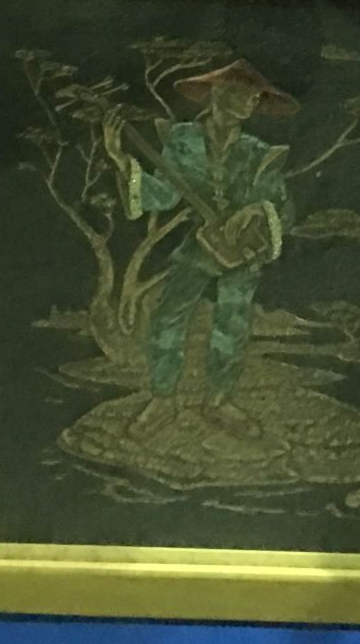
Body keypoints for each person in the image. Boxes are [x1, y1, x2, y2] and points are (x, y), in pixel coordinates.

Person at [102, 58, 297, 441]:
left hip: (243, 250)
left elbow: (281, 207)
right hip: (201, 245)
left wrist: (255, 212)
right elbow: (162, 195)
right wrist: (121, 160)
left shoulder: (259, 152)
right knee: (167, 317)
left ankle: (219, 401)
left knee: (233, 321)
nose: (253, 101)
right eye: (245, 92)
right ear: (220, 94)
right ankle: (163, 400)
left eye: (257, 96)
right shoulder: (182, 141)